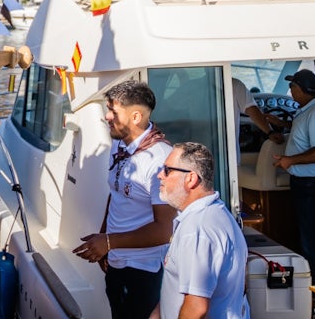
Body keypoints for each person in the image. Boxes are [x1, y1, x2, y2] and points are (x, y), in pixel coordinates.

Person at [73, 80, 175, 319]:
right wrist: (105, 240)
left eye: (113, 111)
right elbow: (116, 193)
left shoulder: (160, 160)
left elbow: (165, 230)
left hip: (145, 271)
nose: (106, 116)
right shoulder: (119, 144)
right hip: (117, 261)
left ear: (135, 117)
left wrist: (109, 242)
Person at [155, 142, 249, 319]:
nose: (160, 175)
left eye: (167, 170)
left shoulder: (197, 229)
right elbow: (176, 290)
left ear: (191, 178)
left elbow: (196, 308)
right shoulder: (216, 213)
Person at [272, 69, 315, 283]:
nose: (290, 92)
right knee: (306, 236)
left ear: (300, 89)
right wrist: (283, 125)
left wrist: (290, 160)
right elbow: (305, 132)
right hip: (305, 184)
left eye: (292, 87)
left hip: (311, 186)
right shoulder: (309, 112)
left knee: (310, 241)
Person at [231, 78, 282, 151]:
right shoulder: (235, 84)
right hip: (230, 152)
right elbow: (251, 109)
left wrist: (281, 123)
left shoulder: (234, 84)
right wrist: (270, 132)